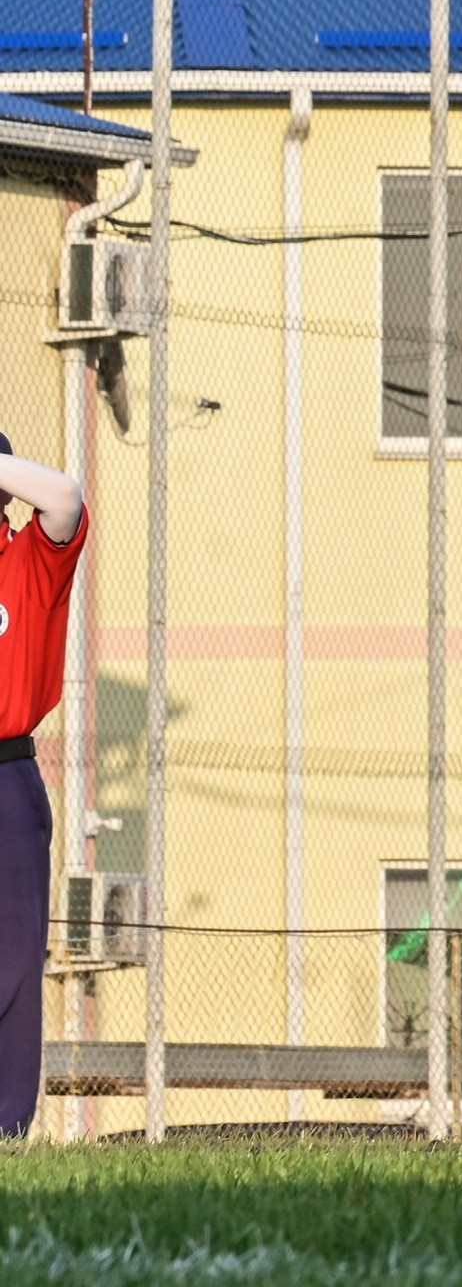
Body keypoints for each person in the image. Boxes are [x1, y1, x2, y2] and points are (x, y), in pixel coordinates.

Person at [0, 431, 86, 1138]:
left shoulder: (27, 560)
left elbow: (64, 496)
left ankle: (4, 1125)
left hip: (6, 777)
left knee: (15, 962)